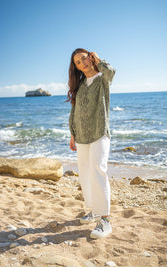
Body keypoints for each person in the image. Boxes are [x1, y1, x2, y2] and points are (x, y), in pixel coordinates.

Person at [67, 48, 116, 239]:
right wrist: (72, 133)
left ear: (90, 57)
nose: (82, 63)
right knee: (86, 174)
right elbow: (75, 110)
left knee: (98, 171)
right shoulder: (79, 85)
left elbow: (112, 71)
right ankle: (95, 211)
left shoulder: (103, 77)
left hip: (99, 132)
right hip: (81, 135)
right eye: (77, 62)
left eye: (83, 58)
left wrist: (100, 60)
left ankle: (105, 220)